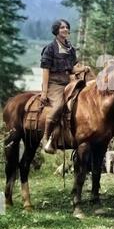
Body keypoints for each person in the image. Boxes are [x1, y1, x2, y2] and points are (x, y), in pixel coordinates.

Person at [40, 19, 88, 153]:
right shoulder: (50, 48)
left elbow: (71, 69)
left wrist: (83, 69)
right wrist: (44, 92)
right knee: (59, 105)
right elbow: (45, 70)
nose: (65, 29)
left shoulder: (70, 48)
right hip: (54, 83)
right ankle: (46, 137)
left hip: (68, 82)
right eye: (62, 27)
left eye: (66, 27)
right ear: (56, 30)